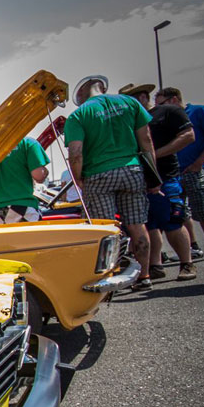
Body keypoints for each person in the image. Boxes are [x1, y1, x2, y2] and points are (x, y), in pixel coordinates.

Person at [64, 75, 157, 291]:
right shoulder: (130, 103)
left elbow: (76, 153)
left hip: (98, 174)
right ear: (102, 86)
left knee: (105, 230)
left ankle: (110, 277)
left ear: (81, 95)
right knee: (137, 225)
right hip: (132, 169)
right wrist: (153, 174)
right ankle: (144, 275)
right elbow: (146, 141)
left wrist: (78, 178)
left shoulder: (78, 115)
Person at [119, 82, 197, 281]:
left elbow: (188, 136)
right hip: (139, 181)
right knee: (149, 225)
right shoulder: (129, 120)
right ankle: (155, 265)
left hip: (165, 177)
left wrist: (153, 155)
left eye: (133, 99)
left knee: (172, 221)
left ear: (143, 97)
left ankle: (186, 263)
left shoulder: (167, 111)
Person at [157, 87, 204, 259]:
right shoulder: (165, 119)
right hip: (173, 173)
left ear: (174, 100)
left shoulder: (201, 111)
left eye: (162, 104)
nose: (159, 108)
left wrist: (200, 162)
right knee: (179, 211)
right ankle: (193, 247)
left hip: (196, 169)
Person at [0, 137, 50, 225]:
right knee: (28, 239)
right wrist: (45, 171)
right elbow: (38, 176)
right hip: (23, 205)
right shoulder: (28, 143)